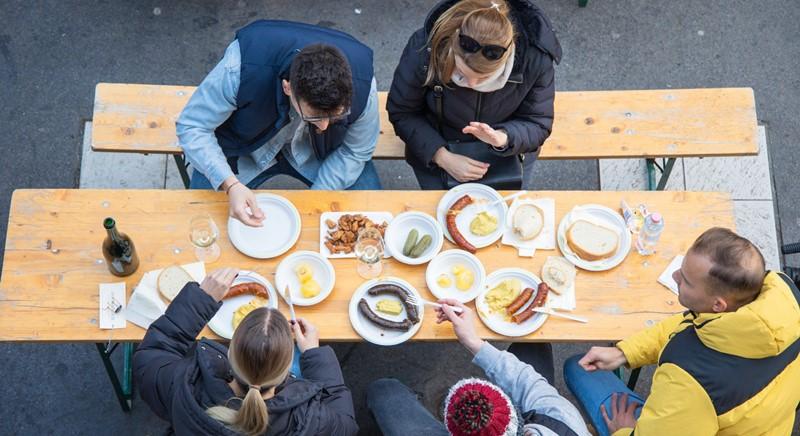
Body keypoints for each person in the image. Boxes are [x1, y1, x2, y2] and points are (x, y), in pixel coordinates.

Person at [564, 227, 800, 436]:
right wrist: (625, 353)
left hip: (689, 411)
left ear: (718, 304)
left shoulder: (691, 382)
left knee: (577, 368)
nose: (675, 276)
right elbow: (693, 323)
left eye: (686, 280)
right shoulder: (784, 301)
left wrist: (624, 430)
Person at [177, 20, 381, 227]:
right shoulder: (239, 67)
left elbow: (356, 150)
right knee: (203, 223)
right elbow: (192, 126)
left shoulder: (363, 84)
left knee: (374, 216)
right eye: (314, 118)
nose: (324, 127)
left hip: (319, 152)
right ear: (287, 88)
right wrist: (230, 185)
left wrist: (317, 197)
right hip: (243, 151)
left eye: (336, 116)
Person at [133, 268, 358, 435]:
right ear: (288, 368)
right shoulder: (312, 421)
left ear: (229, 352)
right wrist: (314, 355)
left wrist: (200, 301)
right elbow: (346, 426)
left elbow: (150, 356)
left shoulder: (181, 383)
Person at [387, 0, 561, 190]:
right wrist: (441, 157)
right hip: (437, 150)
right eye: (461, 74)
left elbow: (538, 122)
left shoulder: (535, 58)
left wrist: (503, 137)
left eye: (485, 78)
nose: (471, 85)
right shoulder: (424, 49)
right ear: (453, 44)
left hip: (506, 158)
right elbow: (402, 112)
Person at [367, 298, 590, 436]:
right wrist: (473, 341)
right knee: (534, 349)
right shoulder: (565, 422)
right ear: (511, 410)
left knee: (383, 391)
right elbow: (525, 379)